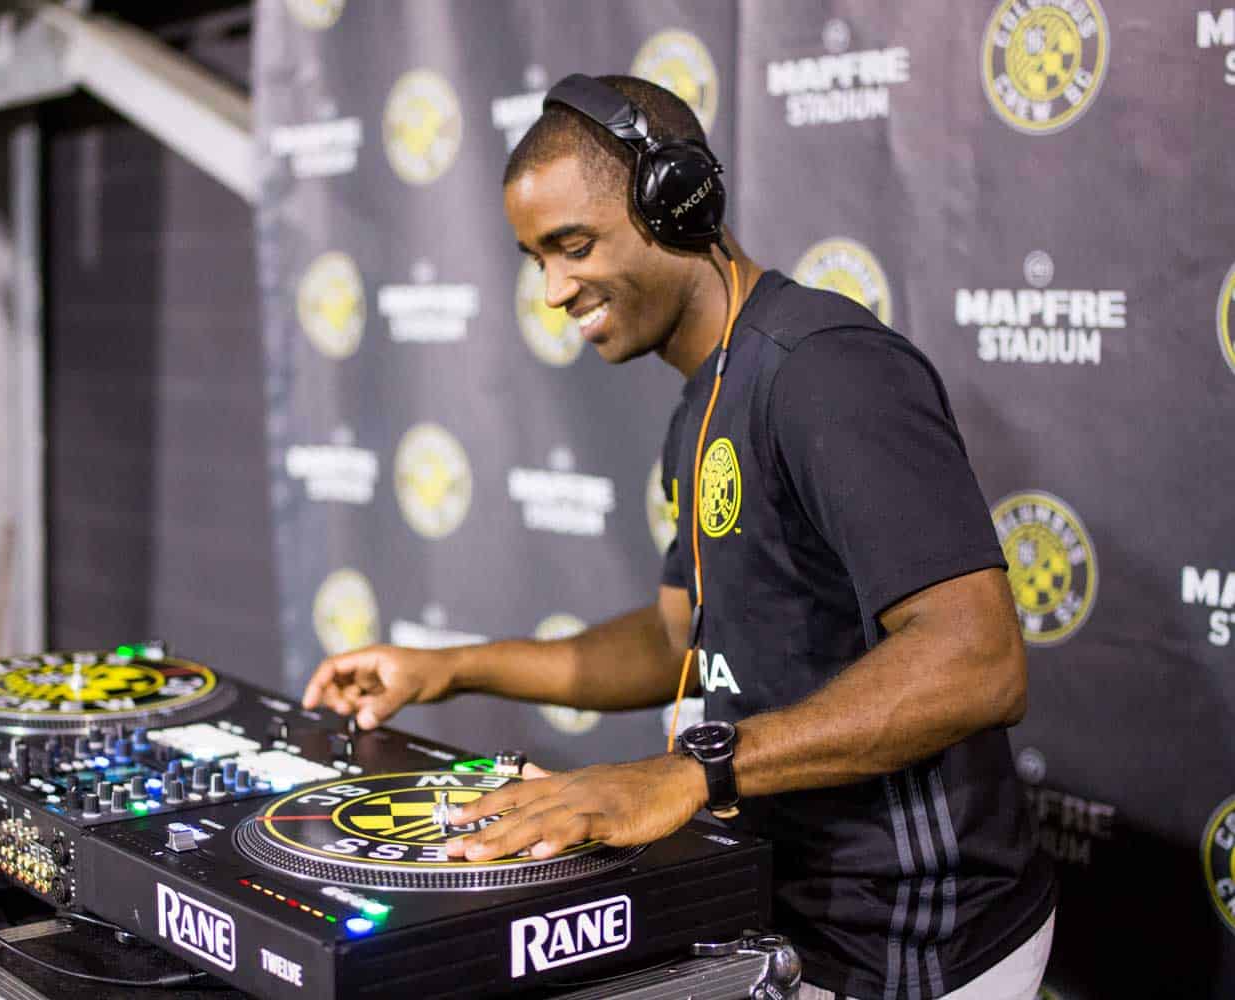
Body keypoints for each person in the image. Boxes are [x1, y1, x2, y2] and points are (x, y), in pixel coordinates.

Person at [302, 74, 1055, 1000]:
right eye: (535, 258)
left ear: (678, 203)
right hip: (782, 906)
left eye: (572, 246)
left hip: (914, 937)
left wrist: (693, 774)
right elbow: (675, 641)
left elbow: (977, 659)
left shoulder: (823, 367)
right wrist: (451, 668)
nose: (551, 289)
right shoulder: (703, 402)